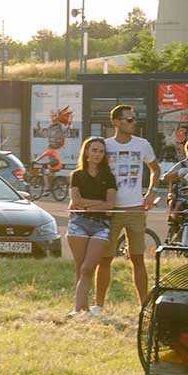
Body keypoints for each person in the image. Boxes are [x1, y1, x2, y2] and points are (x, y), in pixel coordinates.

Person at [95, 104, 159, 314]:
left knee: (137, 258)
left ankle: (144, 306)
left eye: (134, 119)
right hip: (111, 210)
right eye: (129, 119)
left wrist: (150, 192)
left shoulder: (142, 144)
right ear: (116, 122)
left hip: (135, 209)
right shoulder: (104, 145)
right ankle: (99, 305)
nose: (134, 123)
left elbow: (155, 169)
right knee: (105, 258)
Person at [65, 136, 117, 318]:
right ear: (86, 152)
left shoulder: (109, 177)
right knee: (80, 267)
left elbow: (110, 204)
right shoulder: (77, 175)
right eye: (94, 150)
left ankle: (78, 311)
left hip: (101, 226)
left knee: (88, 268)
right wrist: (97, 203)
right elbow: (75, 202)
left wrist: (86, 204)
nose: (97, 154)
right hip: (78, 223)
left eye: (101, 151)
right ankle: (82, 309)